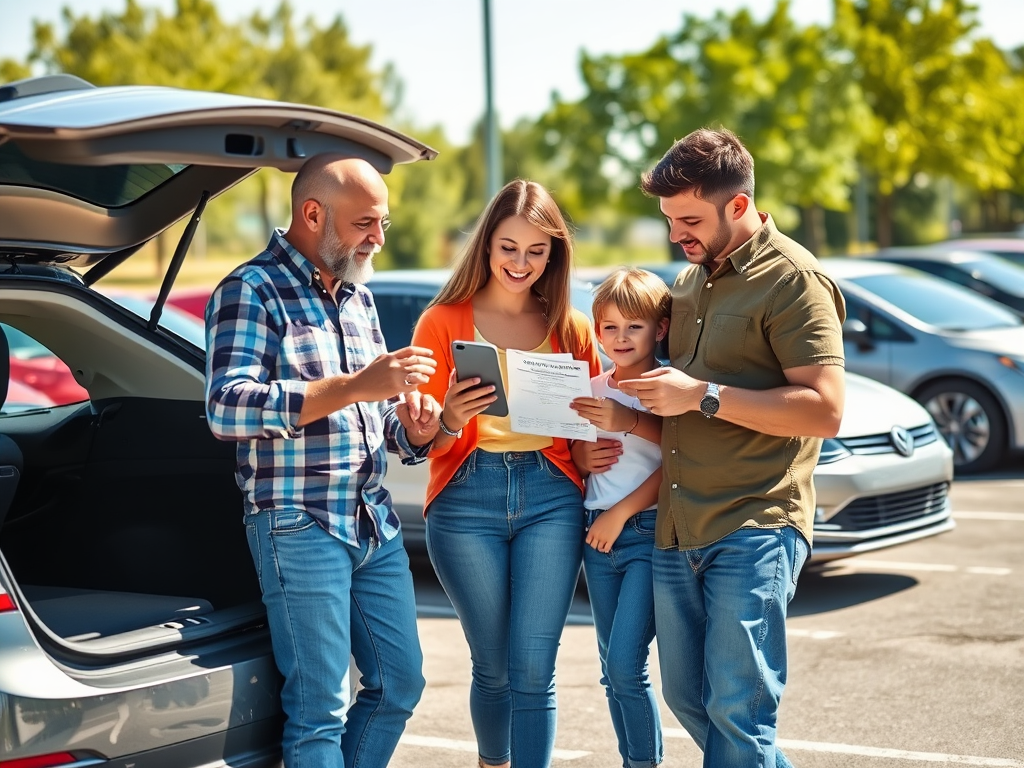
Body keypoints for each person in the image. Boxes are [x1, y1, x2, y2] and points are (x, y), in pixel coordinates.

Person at [582, 128, 847, 767]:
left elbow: (826, 410)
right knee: (689, 700)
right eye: (671, 221)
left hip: (754, 526)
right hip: (677, 529)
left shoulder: (795, 282)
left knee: (737, 710)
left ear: (738, 205)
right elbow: (662, 399)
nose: (678, 235)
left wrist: (703, 394)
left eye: (690, 219)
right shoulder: (690, 283)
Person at [205, 155, 440, 768]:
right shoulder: (249, 290)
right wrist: (358, 386)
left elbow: (380, 419)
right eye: (366, 222)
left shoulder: (358, 295)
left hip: (372, 521)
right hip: (298, 523)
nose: (379, 238)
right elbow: (226, 409)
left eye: (382, 222)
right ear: (313, 214)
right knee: (320, 710)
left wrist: (414, 428)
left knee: (401, 685)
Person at [410, 179, 601, 768]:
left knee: (534, 668)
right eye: (508, 247)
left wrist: (595, 445)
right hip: (466, 499)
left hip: (552, 497)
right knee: (492, 666)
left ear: (554, 256)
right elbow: (419, 440)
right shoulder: (442, 322)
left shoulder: (572, 328)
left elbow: (595, 428)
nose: (521, 263)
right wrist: (447, 417)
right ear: (486, 245)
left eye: (536, 251)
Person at [569, 268, 670, 768]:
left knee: (628, 668)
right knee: (613, 670)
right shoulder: (590, 387)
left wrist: (621, 513)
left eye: (635, 326)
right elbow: (575, 457)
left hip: (645, 536)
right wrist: (583, 460)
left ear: (661, 329)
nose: (621, 338)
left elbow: (679, 462)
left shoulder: (667, 388)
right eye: (610, 327)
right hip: (595, 537)